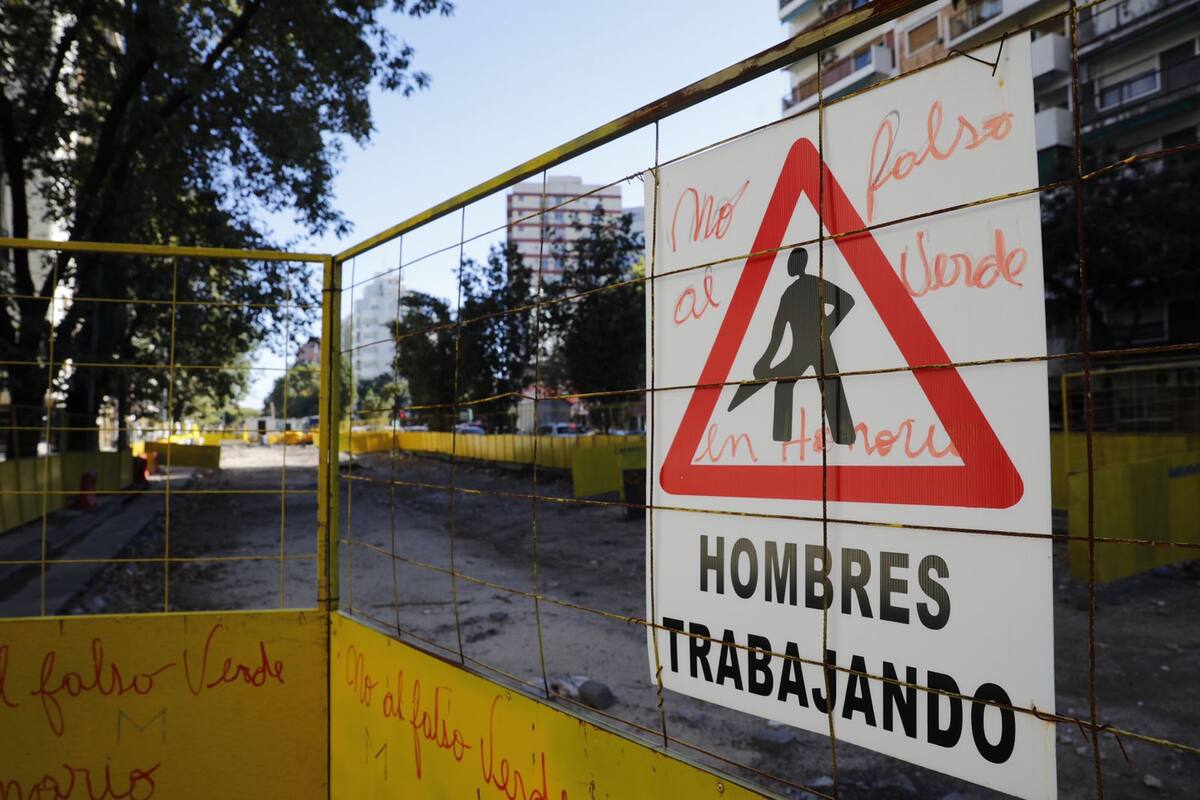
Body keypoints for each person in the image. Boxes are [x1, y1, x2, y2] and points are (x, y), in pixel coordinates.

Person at [727, 248, 856, 443]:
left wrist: (825, 328)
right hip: (801, 351)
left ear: (797, 264)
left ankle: (844, 435)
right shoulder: (789, 293)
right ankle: (782, 439)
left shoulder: (812, 285)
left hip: (820, 349)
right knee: (785, 387)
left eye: (791, 262)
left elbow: (846, 301)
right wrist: (765, 361)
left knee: (831, 386)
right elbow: (777, 332)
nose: (788, 266)